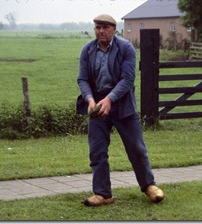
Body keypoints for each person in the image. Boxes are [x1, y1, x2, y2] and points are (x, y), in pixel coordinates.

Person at [77, 14, 164, 206]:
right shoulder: (87, 50)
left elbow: (127, 79)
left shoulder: (125, 48)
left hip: (123, 104)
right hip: (97, 105)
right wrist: (90, 100)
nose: (100, 31)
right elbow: (82, 79)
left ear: (114, 30)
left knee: (136, 148)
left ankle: (149, 186)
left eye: (105, 28)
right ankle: (103, 194)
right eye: (97, 27)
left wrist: (109, 100)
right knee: (97, 151)